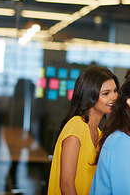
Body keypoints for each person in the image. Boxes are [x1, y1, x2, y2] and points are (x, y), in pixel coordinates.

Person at [47, 66, 119, 195]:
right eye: (106, 93)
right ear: (89, 95)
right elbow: (66, 185)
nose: (114, 97)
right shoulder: (76, 126)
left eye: (115, 91)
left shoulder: (100, 134)